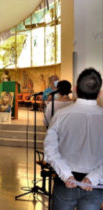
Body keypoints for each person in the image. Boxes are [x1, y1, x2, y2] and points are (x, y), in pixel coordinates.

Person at [44, 68, 103, 210]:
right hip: (94, 184)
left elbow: (50, 150)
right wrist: (93, 178)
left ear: (75, 89)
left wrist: (66, 175)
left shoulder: (61, 115)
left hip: (64, 182)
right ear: (100, 92)